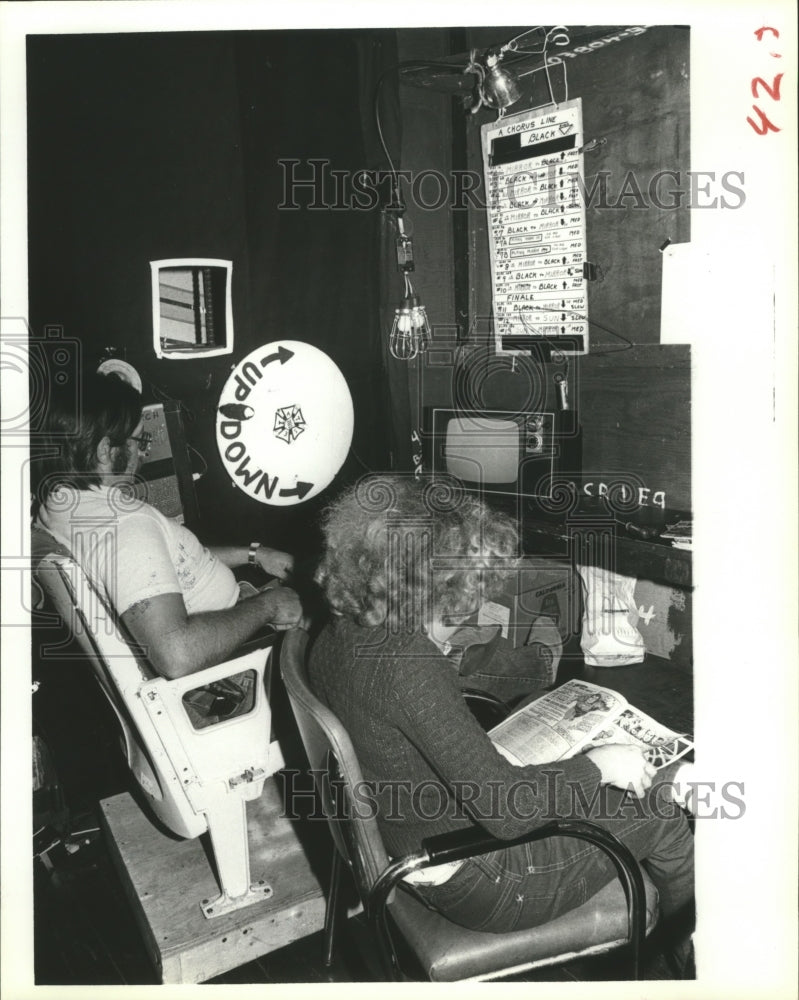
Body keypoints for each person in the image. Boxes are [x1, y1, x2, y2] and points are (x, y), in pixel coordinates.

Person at [309, 474, 694, 946]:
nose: (470, 610)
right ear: (427, 588)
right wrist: (599, 766)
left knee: (547, 720)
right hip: (485, 880)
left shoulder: (336, 635)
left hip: (412, 838)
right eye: (462, 596)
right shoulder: (409, 665)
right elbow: (505, 814)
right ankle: (685, 958)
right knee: (662, 806)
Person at [34, 372, 303, 679]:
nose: (142, 452)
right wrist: (268, 606)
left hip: (230, 614)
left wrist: (254, 554)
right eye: (138, 440)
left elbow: (163, 562)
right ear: (105, 451)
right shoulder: (128, 527)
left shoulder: (58, 505)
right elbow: (178, 655)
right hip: (233, 657)